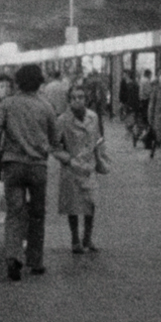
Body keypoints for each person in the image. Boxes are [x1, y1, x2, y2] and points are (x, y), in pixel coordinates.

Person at [0, 63, 58, 280]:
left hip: (13, 165)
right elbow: (54, 140)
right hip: (38, 167)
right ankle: (35, 261)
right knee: (36, 214)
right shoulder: (46, 107)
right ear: (39, 82)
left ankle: (13, 258)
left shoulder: (8, 104)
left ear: (18, 82)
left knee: (14, 213)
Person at [54, 85, 108, 254]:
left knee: (90, 204)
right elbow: (54, 146)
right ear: (69, 100)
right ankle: (75, 239)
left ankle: (88, 238)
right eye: (74, 97)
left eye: (81, 97)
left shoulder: (93, 116)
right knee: (73, 206)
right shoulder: (62, 120)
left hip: (89, 166)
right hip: (72, 167)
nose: (78, 100)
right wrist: (68, 160)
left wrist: (101, 157)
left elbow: (99, 138)